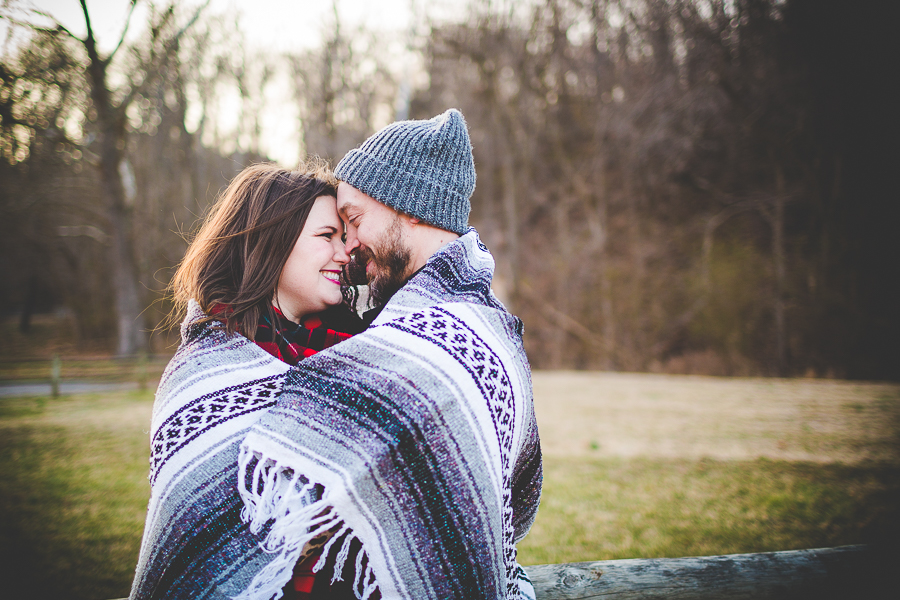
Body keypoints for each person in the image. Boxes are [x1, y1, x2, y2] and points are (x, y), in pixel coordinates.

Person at [235, 109, 542, 600]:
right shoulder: (434, 324)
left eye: (353, 221)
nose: (349, 247)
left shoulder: (451, 337)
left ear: (410, 206)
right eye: (335, 232)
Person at [129, 162, 363, 600]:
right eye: (326, 236)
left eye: (344, 237)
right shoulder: (206, 373)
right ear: (271, 244)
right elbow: (193, 532)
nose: (344, 253)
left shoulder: (362, 356)